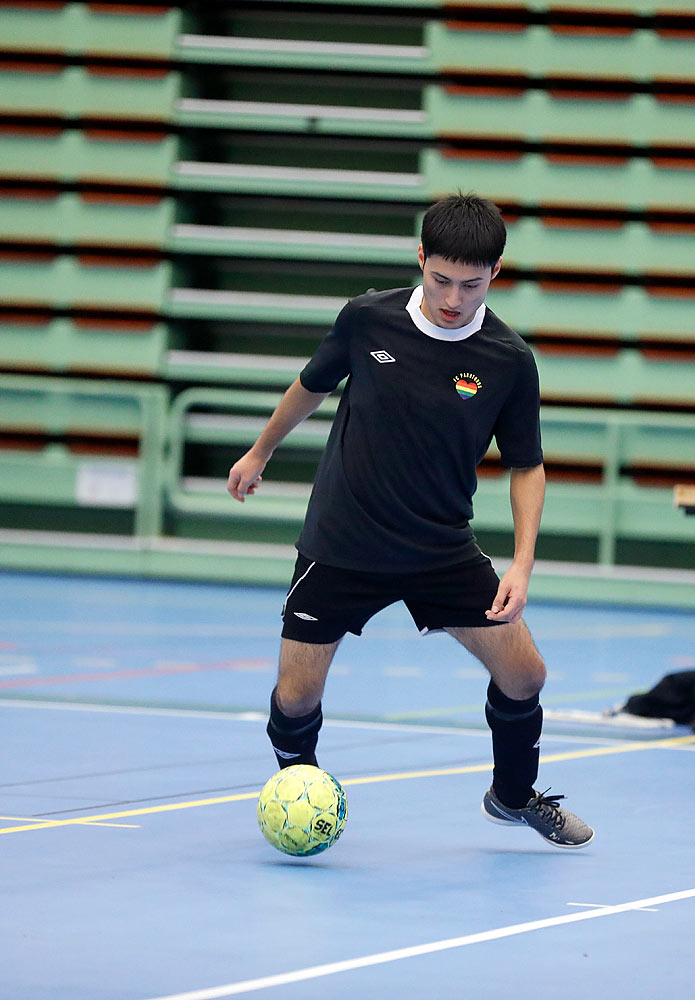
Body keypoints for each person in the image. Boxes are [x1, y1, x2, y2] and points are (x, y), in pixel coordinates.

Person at [225, 193, 593, 849]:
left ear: (495, 274)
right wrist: (261, 451)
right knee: (296, 695)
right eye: (441, 279)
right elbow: (310, 384)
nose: (454, 297)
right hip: (342, 543)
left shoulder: (508, 359)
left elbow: (526, 465)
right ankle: (298, 790)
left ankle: (512, 798)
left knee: (525, 673)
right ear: (421, 259)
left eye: (472, 284)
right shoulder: (368, 320)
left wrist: (523, 563)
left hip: (440, 550)